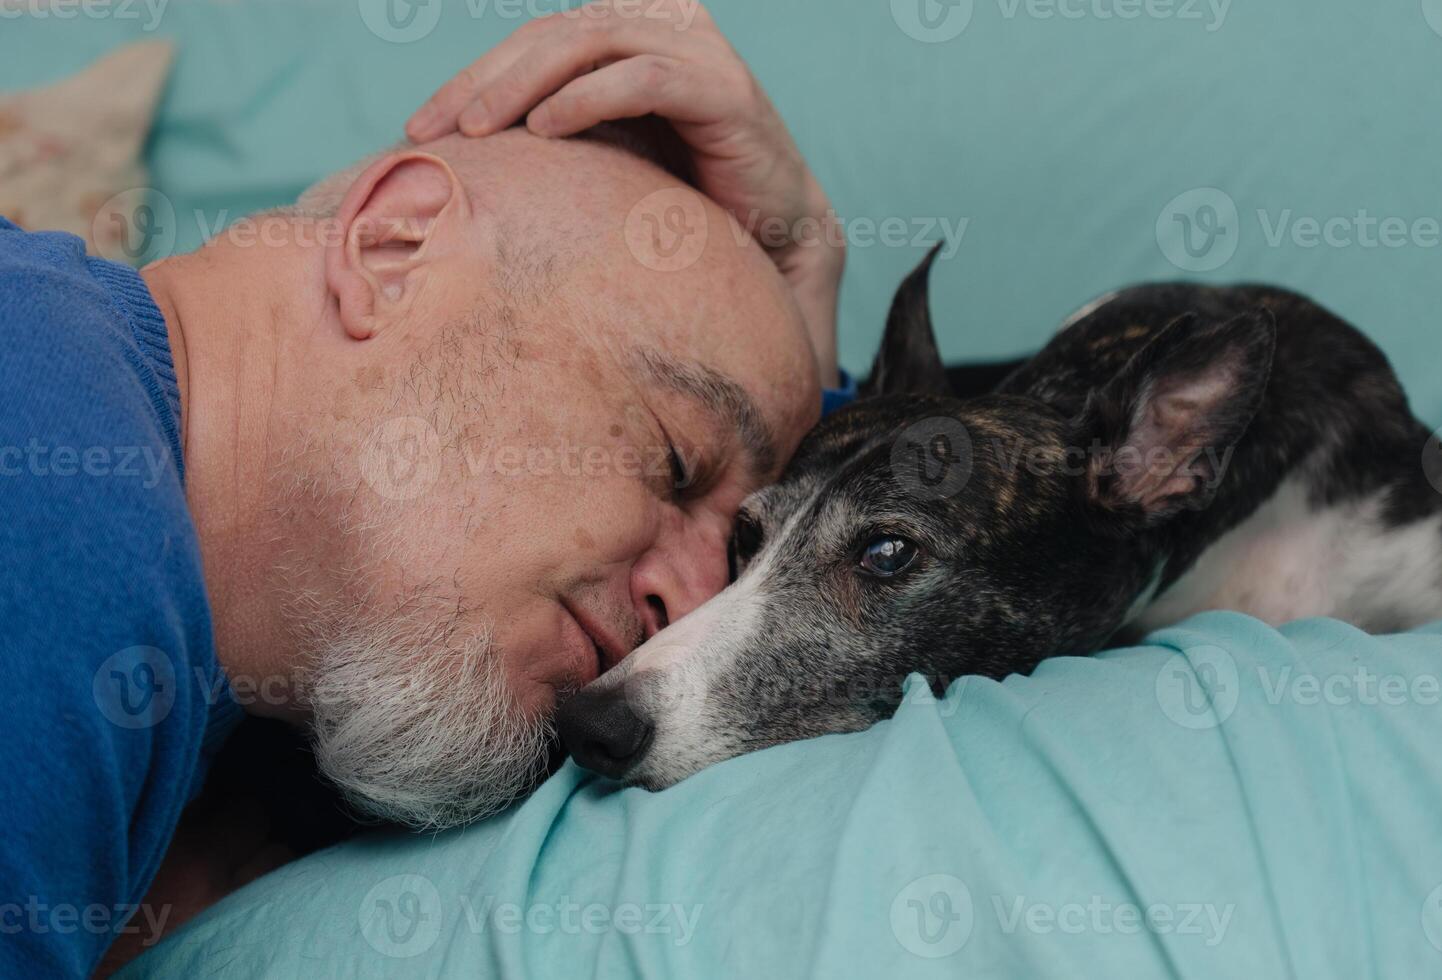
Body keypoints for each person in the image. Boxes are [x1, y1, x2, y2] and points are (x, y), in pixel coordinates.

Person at [0, 5, 851, 975]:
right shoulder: (55, 500)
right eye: (673, 458)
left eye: (731, 547)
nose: (693, 608)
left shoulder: (198, 622)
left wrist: (802, 270)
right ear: (394, 248)